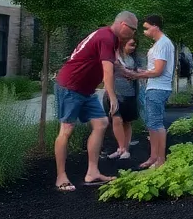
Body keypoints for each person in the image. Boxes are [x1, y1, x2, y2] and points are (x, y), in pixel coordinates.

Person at [53, 12, 137, 190]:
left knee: (101, 123)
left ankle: (92, 172)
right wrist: (112, 96)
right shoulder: (106, 37)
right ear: (123, 25)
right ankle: (61, 177)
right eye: (132, 30)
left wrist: (130, 73)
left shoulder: (111, 39)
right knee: (66, 130)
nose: (133, 35)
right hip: (70, 86)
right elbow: (107, 71)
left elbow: (113, 64)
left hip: (86, 90)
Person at [131, 14, 176, 169]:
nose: (145, 32)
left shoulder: (163, 44)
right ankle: (153, 157)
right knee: (151, 123)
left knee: (156, 123)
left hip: (158, 88)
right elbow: (154, 69)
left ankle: (161, 161)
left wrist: (138, 74)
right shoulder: (160, 44)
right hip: (154, 87)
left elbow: (158, 71)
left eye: (147, 28)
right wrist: (143, 72)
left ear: (155, 26)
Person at [106, 34, 141, 160]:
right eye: (131, 44)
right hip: (115, 93)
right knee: (117, 119)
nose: (133, 47)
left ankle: (125, 149)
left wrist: (130, 73)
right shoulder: (114, 57)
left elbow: (137, 74)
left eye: (135, 45)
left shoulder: (134, 59)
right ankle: (121, 148)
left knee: (127, 121)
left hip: (130, 93)